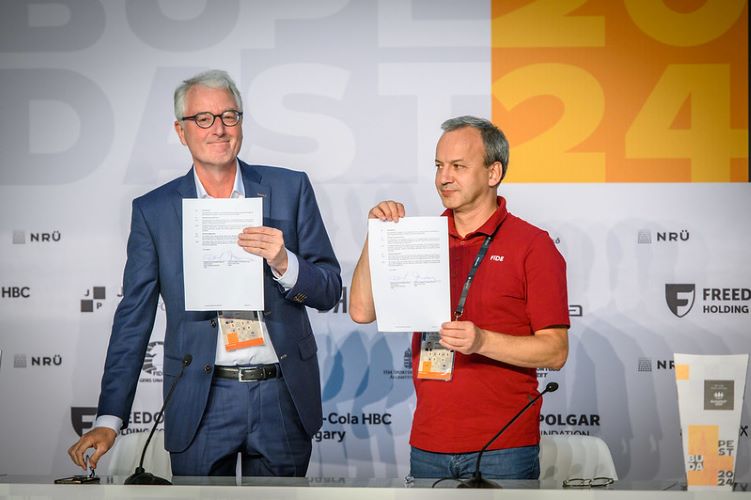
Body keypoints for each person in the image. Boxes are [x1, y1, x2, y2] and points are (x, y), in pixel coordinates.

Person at [68, 70, 342, 477]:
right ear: (181, 131)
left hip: (280, 395)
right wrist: (110, 417)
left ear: (241, 123)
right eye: (203, 119)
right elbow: (133, 319)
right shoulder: (155, 211)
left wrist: (285, 263)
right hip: (201, 397)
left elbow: (329, 290)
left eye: (229, 116)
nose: (219, 129)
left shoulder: (290, 188)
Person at [349, 116, 569, 480]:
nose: (444, 177)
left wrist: (481, 341)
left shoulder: (533, 245)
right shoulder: (419, 238)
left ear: (493, 172)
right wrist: (376, 235)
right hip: (428, 443)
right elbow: (360, 310)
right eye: (439, 166)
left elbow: (555, 351)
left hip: (503, 448)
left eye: (458, 166)